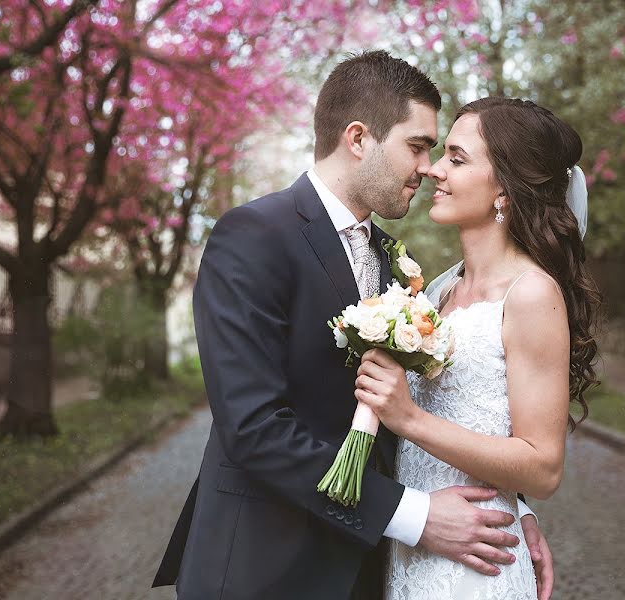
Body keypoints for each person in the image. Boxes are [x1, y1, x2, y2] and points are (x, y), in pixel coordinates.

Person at [152, 53, 555, 600]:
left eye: (439, 153)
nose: (427, 167)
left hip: (369, 571)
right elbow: (253, 428)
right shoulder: (252, 236)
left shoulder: (393, 264)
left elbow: (426, 408)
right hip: (264, 568)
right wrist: (414, 516)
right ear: (359, 138)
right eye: (417, 146)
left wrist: (506, 506)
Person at [354, 97, 600, 600]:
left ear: (504, 188)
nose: (435, 170)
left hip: (473, 572)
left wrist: (409, 418)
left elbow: (543, 466)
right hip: (414, 549)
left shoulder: (531, 295)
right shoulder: (440, 289)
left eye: (457, 159)